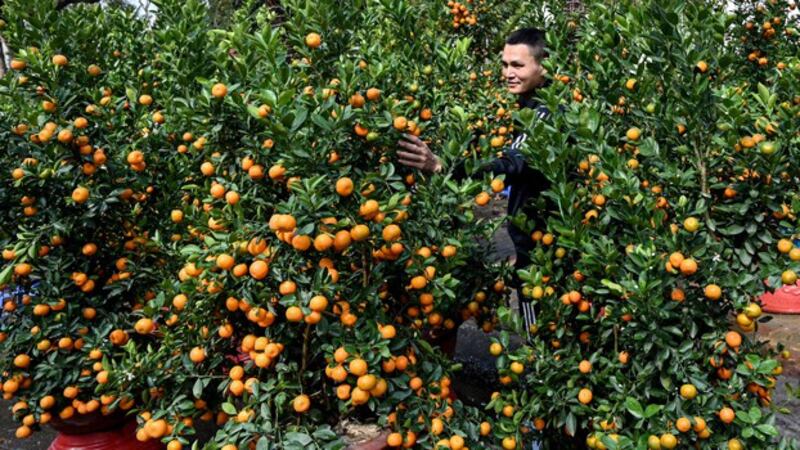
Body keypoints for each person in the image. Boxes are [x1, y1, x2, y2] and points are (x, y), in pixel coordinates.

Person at [396, 28, 552, 334]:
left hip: (544, 252)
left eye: (517, 65)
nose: (508, 73)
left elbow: (512, 165)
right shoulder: (527, 108)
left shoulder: (544, 114)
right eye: (505, 64)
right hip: (534, 245)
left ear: (543, 65)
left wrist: (445, 166)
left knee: (544, 338)